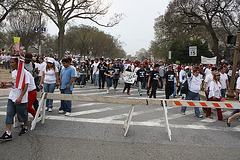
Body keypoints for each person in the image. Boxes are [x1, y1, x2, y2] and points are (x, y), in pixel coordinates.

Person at [0, 57, 30, 141]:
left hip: (21, 99)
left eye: (13, 62)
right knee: (9, 113)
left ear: (18, 63)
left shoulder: (25, 73)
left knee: (22, 114)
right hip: (12, 97)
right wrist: (5, 84)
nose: (11, 64)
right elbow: (14, 84)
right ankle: (8, 132)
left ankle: (25, 126)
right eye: (10, 62)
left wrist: (20, 97)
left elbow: (26, 86)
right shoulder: (13, 72)